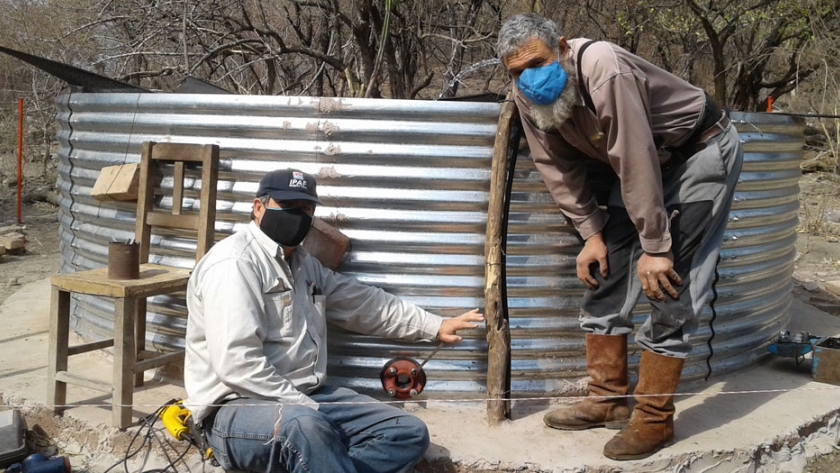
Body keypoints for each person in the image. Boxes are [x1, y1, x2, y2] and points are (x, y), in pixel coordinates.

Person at [497, 13, 743, 460]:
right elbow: (556, 166)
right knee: (604, 271)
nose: (529, 79)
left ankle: (653, 419)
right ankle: (608, 398)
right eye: (517, 72)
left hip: (697, 154)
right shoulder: (524, 96)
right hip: (644, 171)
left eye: (537, 63)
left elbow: (634, 154)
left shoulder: (603, 66)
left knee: (670, 284)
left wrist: (656, 246)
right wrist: (591, 232)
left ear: (563, 48)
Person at [183, 168, 484, 473]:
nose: (299, 215)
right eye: (288, 206)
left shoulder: (302, 264)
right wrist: (308, 408)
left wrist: (434, 326)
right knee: (309, 429)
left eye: (306, 209)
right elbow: (238, 365)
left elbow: (362, 303)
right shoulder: (234, 264)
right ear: (258, 207)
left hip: (305, 396)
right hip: (236, 409)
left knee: (406, 433)